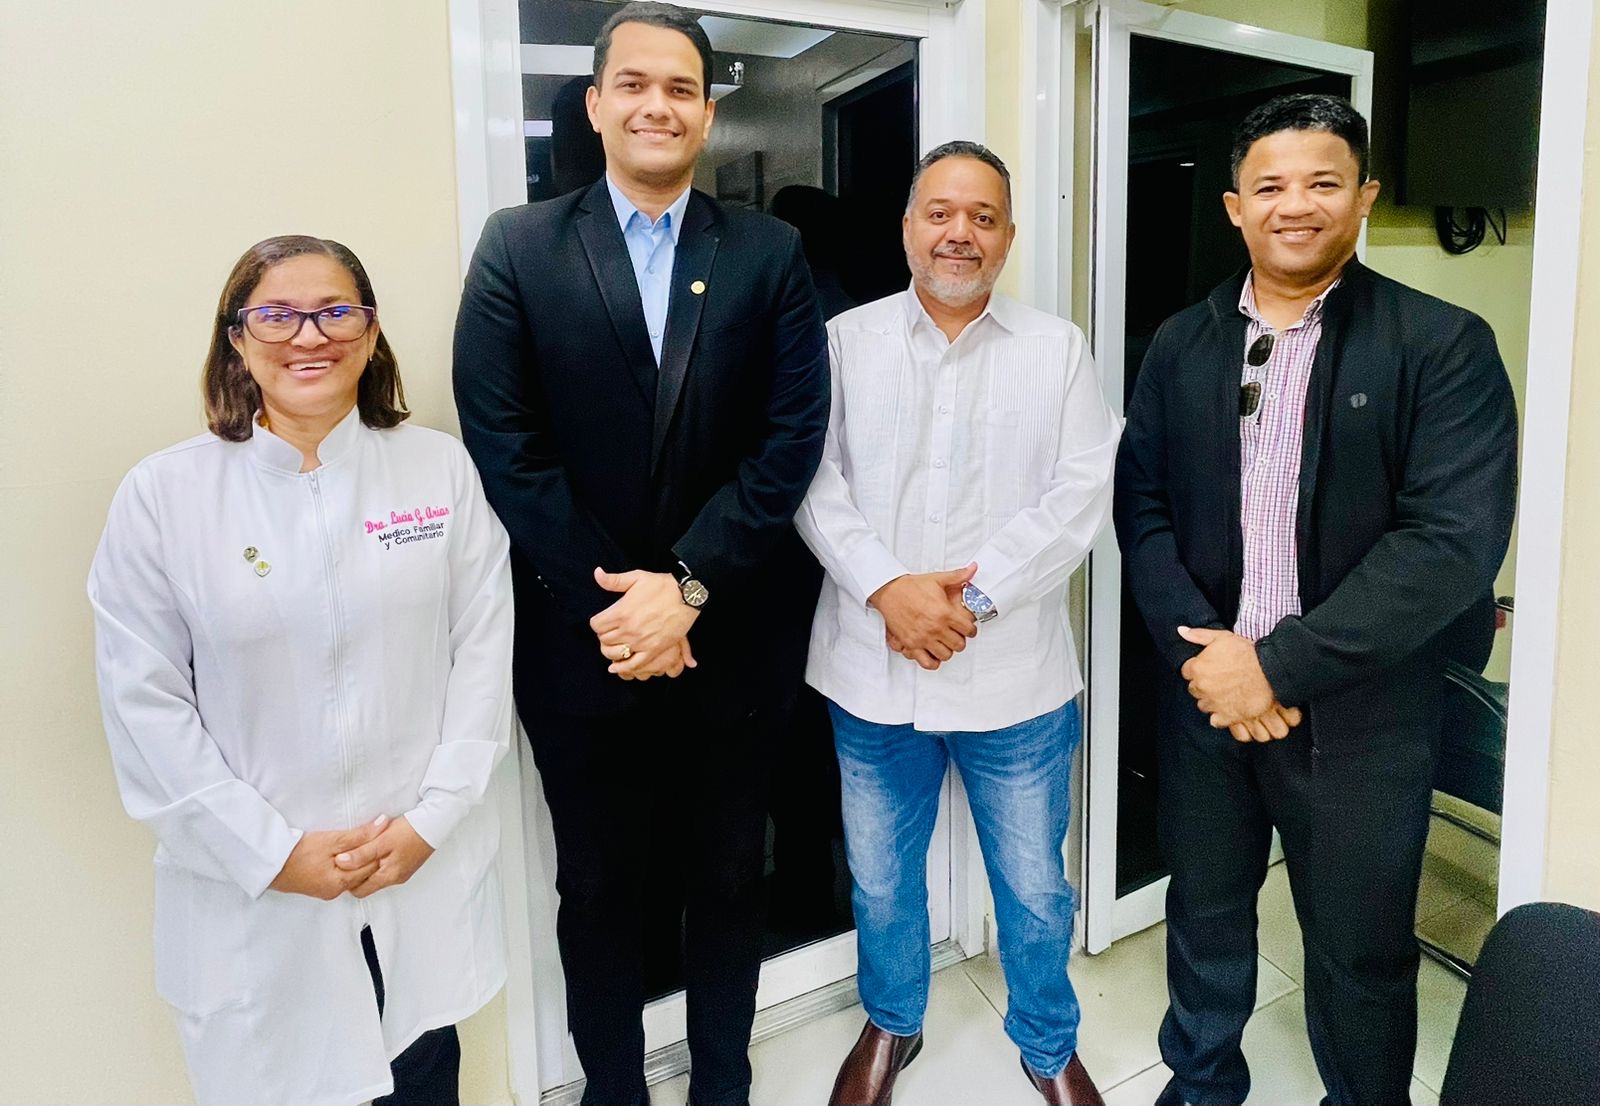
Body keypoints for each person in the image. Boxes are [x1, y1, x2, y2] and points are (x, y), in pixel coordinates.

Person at [451, 3, 829, 1103]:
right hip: (585, 649)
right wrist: (624, 607)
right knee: (600, 889)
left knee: (728, 880)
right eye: (634, 84)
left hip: (732, 646)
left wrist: (689, 587)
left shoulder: (768, 253)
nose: (656, 105)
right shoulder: (518, 247)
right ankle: (611, 1087)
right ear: (595, 104)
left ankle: (723, 1084)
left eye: (680, 88)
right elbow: (504, 445)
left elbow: (789, 440)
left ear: (707, 114)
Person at [1113, 93, 1517, 1106]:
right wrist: (1208, 661)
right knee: (1204, 915)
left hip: (1362, 716)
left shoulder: (1441, 344)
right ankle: (1201, 1083)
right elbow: (1141, 507)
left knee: (1359, 948)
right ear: (1234, 207)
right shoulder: (1181, 343)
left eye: (1322, 182)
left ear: (1364, 196)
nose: (1294, 205)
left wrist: (1276, 667)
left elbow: (1449, 544)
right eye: (1270, 186)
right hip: (1207, 702)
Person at [88, 235, 515, 1106]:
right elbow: (145, 707)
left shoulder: (437, 469)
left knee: (422, 1077)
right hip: (260, 905)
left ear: (371, 332)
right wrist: (273, 853)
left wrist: (432, 819)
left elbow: (482, 653)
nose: (309, 336)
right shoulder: (164, 497)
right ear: (236, 340)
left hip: (413, 876)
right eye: (277, 316)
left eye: (335, 312)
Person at [796, 141, 1120, 1106]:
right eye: (940, 213)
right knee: (880, 880)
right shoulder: (843, 342)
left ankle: (1047, 1044)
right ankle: (893, 1022)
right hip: (872, 671)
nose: (959, 233)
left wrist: (967, 602)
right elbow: (810, 479)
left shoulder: (1056, 349)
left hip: (1014, 676)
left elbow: (1079, 496)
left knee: (1034, 887)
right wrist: (888, 589)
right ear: (907, 228)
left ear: (1009, 236)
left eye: (982, 217)